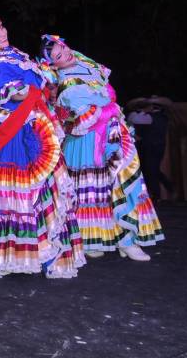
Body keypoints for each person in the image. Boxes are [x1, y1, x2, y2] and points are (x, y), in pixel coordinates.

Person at [0, 15, 84, 278]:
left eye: (1, 28)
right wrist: (39, 86)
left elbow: (40, 84)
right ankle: (12, 254)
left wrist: (45, 83)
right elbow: (16, 93)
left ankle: (45, 251)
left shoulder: (16, 54)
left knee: (43, 185)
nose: (2, 34)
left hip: (35, 121)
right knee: (20, 188)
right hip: (13, 129)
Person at [40, 35, 164, 262]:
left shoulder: (87, 65)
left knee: (120, 182)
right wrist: (110, 107)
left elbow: (107, 97)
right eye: (58, 56)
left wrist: (108, 106)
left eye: (64, 48)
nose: (66, 54)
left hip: (111, 132)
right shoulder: (68, 84)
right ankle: (92, 239)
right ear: (53, 65)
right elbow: (89, 116)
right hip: (89, 140)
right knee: (93, 190)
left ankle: (127, 240)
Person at [127, 96, 175, 203]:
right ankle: (164, 188)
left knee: (150, 169)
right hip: (159, 146)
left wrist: (143, 112)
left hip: (149, 146)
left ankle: (156, 194)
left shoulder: (149, 117)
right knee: (152, 169)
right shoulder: (163, 117)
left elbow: (134, 120)